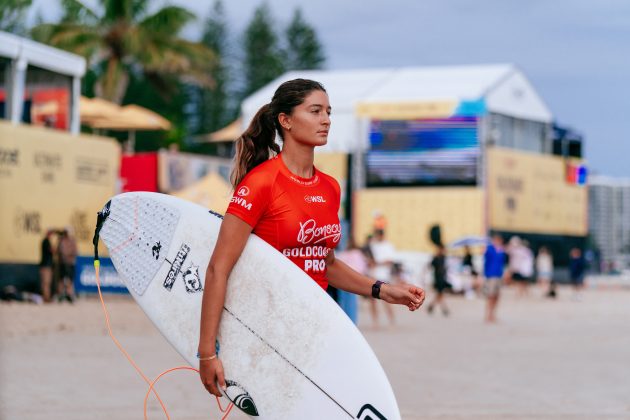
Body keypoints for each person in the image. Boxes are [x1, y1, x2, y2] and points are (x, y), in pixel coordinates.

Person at [197, 79, 426, 398]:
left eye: (329, 112)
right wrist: (207, 353)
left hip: (316, 323)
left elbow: (326, 263)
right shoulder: (261, 183)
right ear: (285, 121)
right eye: (315, 111)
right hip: (268, 329)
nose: (326, 119)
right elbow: (218, 268)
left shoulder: (330, 187)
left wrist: (382, 290)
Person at [368, 229, 397, 327]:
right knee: (372, 300)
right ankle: (375, 321)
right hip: (373, 275)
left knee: (386, 299)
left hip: (384, 276)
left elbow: (390, 261)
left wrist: (377, 263)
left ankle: (391, 320)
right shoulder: (372, 245)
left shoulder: (388, 246)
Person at [483, 234, 506, 323]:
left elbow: (502, 263)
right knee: (490, 295)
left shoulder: (501, 251)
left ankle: (493, 314)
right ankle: (488, 315)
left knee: (497, 296)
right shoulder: (490, 249)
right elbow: (486, 260)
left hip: (499, 275)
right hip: (491, 275)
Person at [426, 244, 450, 316]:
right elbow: (430, 266)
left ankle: (432, 307)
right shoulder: (436, 258)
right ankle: (443, 309)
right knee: (440, 294)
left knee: (439, 294)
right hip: (438, 279)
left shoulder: (443, 258)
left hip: (442, 278)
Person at [57, 228, 77, 303]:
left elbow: (74, 251)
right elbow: (62, 251)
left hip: (70, 263)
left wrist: (67, 254)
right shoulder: (62, 241)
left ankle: (69, 295)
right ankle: (61, 295)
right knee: (62, 280)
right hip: (63, 263)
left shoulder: (71, 241)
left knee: (70, 280)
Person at [39, 229, 55, 303]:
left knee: (44, 283)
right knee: (46, 282)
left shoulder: (45, 241)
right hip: (46, 265)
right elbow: (52, 251)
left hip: (45, 265)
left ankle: (45, 297)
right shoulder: (46, 241)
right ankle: (46, 298)